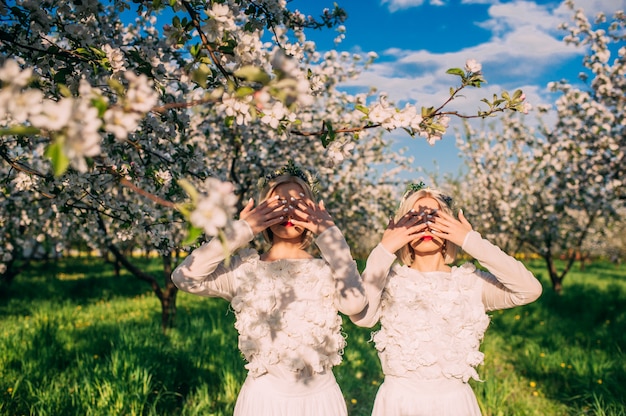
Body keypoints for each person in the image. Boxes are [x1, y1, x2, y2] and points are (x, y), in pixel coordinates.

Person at [172, 161, 367, 416]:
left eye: (297, 204)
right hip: (262, 402)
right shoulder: (244, 270)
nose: (288, 212)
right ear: (262, 209)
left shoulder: (327, 270)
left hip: (320, 400)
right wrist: (240, 230)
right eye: (278, 204)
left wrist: (330, 236)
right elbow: (185, 277)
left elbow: (354, 304)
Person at [351, 183, 543, 416]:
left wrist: (470, 240)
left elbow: (529, 290)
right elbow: (362, 317)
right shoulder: (390, 281)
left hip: (454, 405)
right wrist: (384, 249)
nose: (426, 225)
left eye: (434, 217)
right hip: (398, 403)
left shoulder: (470, 283)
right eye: (415, 218)